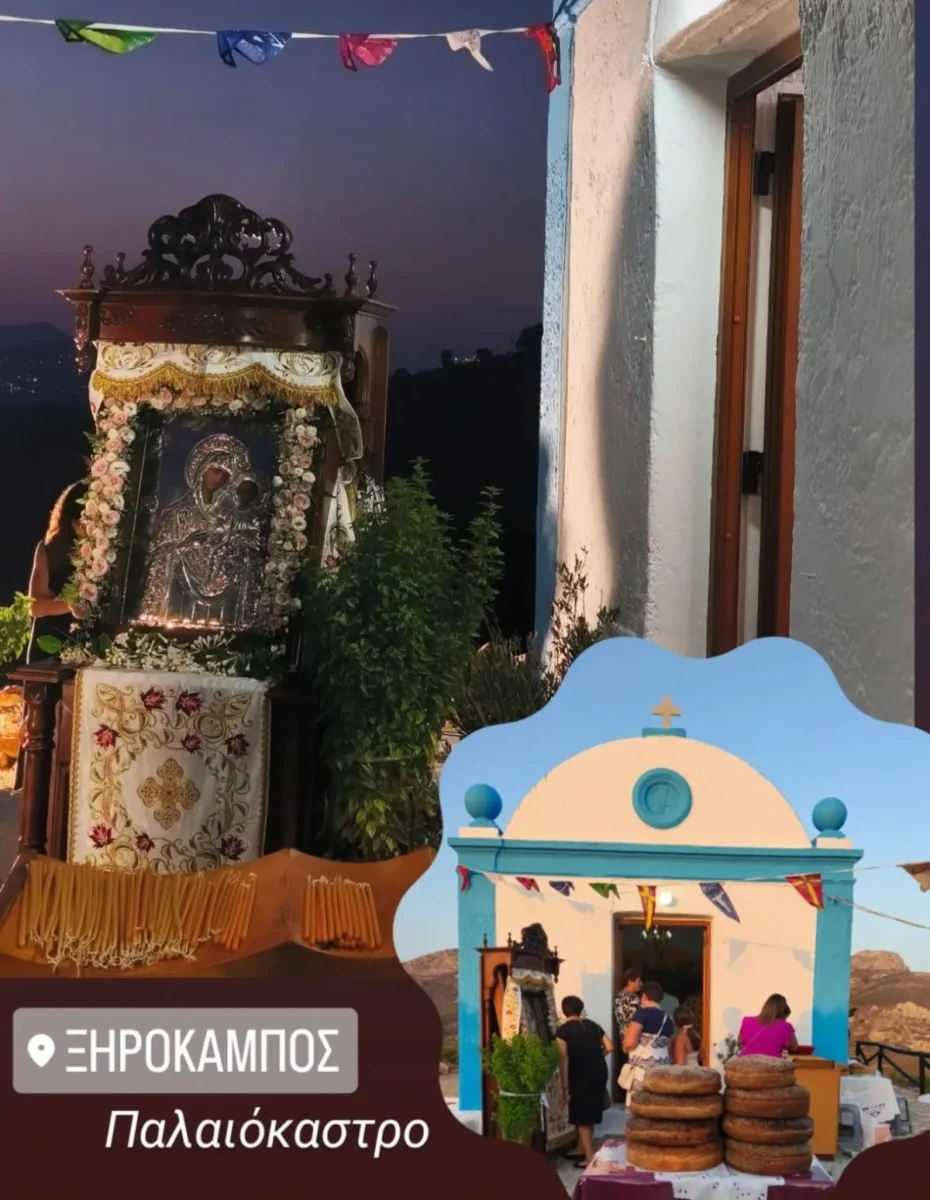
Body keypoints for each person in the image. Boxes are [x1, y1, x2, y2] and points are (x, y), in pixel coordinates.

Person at [26, 482, 86, 663]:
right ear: (71, 520)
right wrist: (73, 603)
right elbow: (35, 607)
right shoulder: (49, 549)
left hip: (91, 643)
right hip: (50, 644)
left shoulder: (110, 552)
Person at [556, 995, 613, 1168]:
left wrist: (565, 1087)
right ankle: (581, 1148)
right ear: (581, 1009)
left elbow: (563, 1058)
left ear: (564, 1011)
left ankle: (589, 1158)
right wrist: (596, 1056)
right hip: (599, 1072)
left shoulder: (562, 1031)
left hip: (579, 1074)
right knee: (590, 1113)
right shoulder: (593, 1025)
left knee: (582, 1118)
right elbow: (609, 1046)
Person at [622, 981, 675, 1105]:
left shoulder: (642, 1014)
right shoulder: (668, 1019)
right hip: (662, 1069)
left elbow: (629, 1043)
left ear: (644, 996)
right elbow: (668, 1046)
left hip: (642, 1071)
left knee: (640, 1106)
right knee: (657, 1105)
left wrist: (625, 1040)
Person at [738, 994, 799, 1058]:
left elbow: (740, 1042)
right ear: (782, 1011)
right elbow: (794, 1047)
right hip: (772, 1063)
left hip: (747, 1062)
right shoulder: (786, 1026)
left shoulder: (747, 1021)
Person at [613, 967, 642, 1101]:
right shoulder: (633, 998)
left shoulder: (619, 996)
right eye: (638, 981)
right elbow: (637, 1019)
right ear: (630, 981)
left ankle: (625, 1097)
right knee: (635, 1068)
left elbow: (621, 1020)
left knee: (627, 1066)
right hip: (634, 1037)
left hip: (624, 1037)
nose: (640, 984)